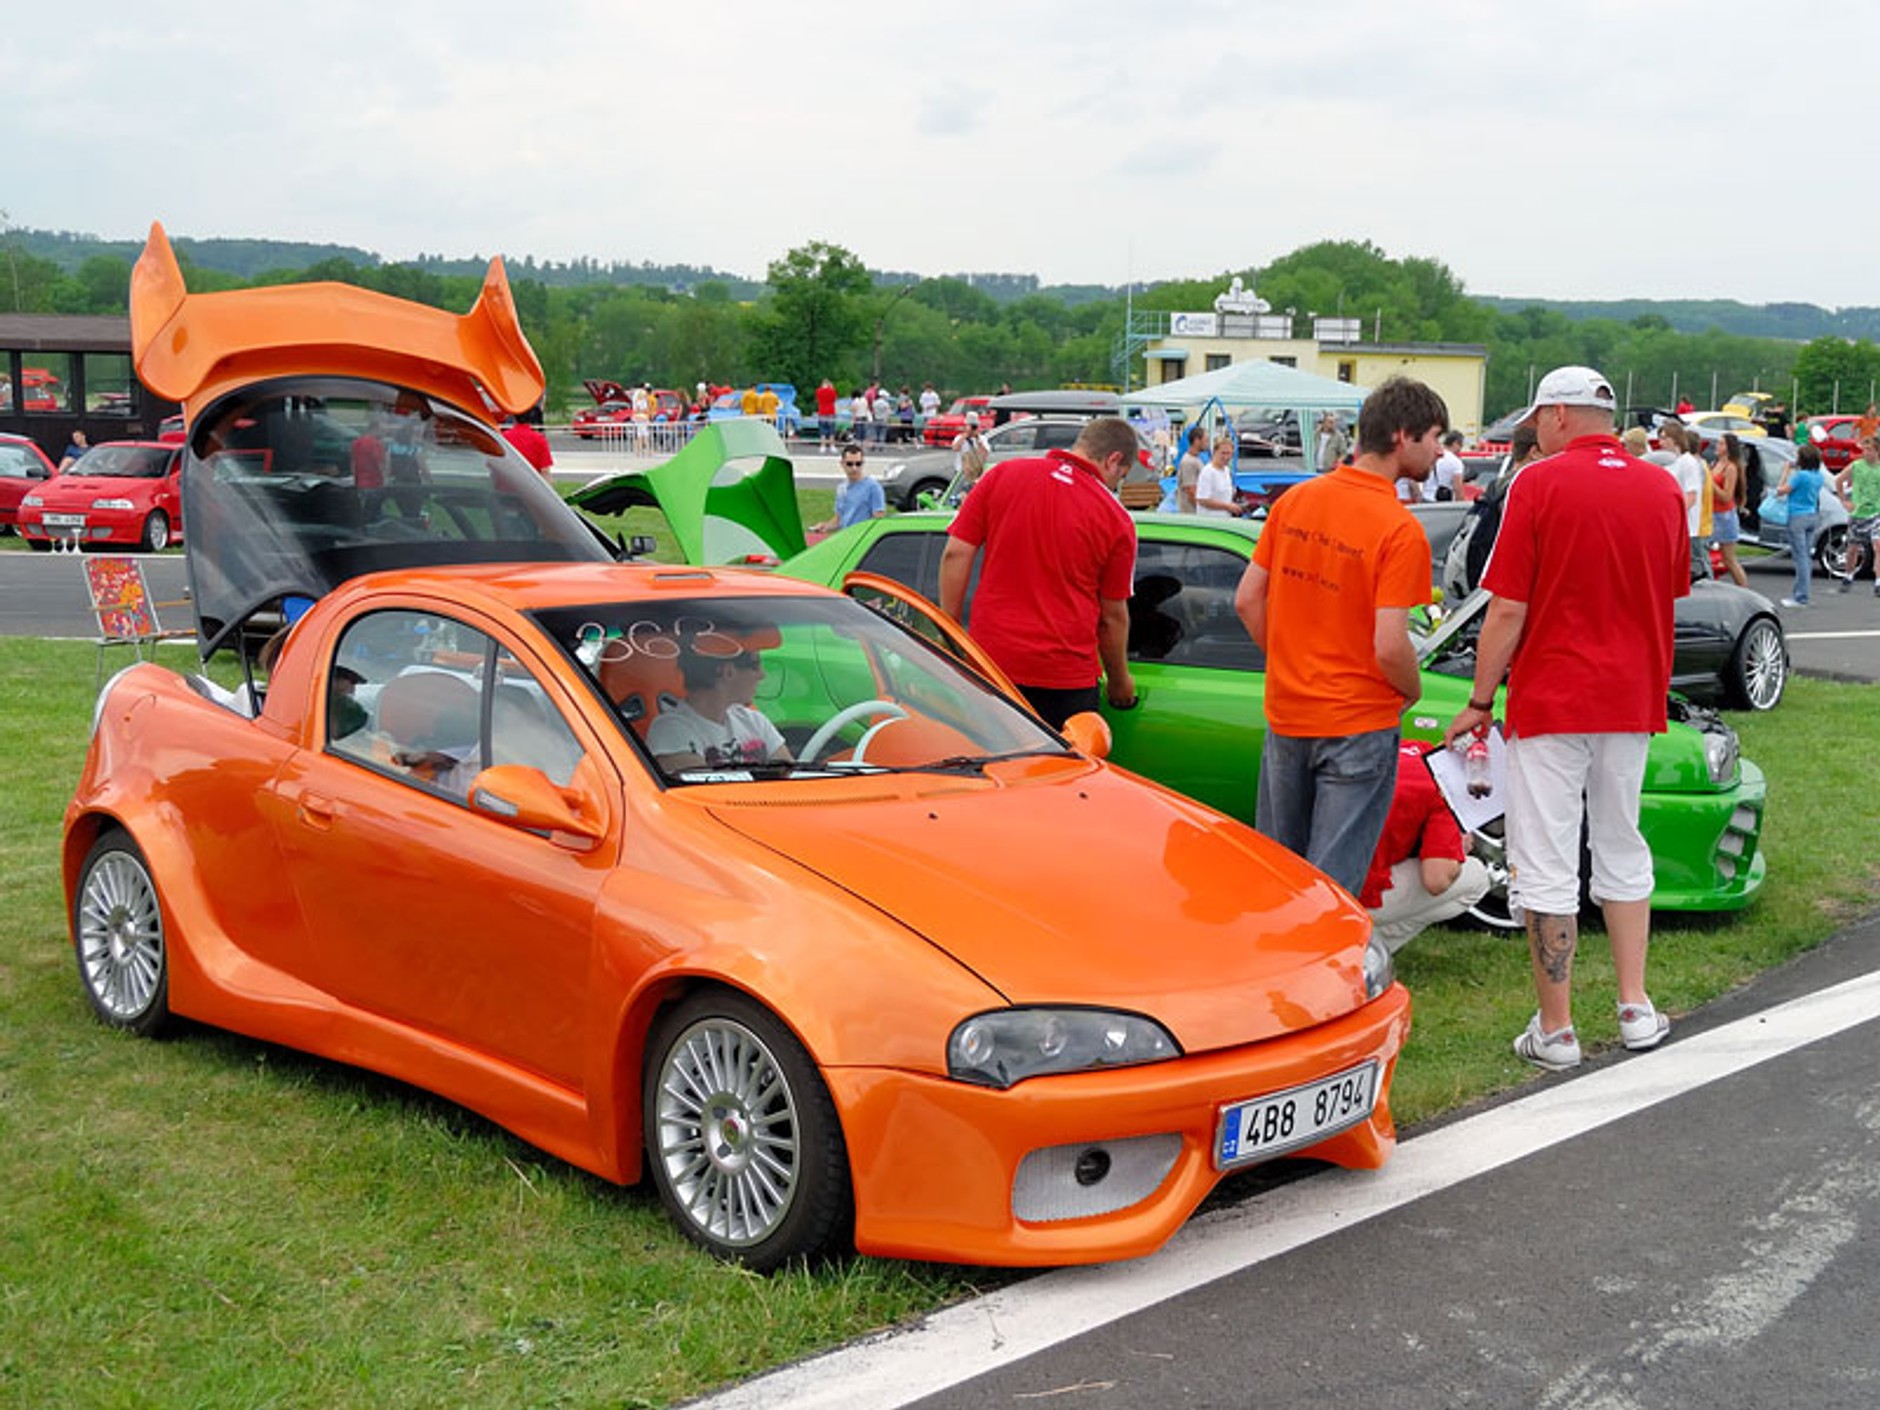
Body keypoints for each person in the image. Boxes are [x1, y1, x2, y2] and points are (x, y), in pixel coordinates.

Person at [1443, 364, 1687, 1072]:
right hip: (1632, 693)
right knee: (1622, 841)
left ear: (1556, 417)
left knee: (1547, 857)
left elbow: (1508, 607)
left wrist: (1481, 699)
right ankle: (1636, 1006)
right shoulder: (1663, 485)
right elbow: (1667, 590)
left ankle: (1557, 1028)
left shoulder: (1538, 484)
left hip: (1554, 696)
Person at [1234, 375, 1446, 895]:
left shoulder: (1295, 502)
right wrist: (1412, 691)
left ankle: (1277, 971)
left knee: (1282, 879)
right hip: (1358, 720)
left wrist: (1288, 660)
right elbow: (1390, 644)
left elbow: (1246, 599)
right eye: (1436, 436)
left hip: (1289, 714)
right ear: (1403, 436)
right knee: (1333, 887)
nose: (1441, 451)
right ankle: (1326, 973)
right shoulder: (1399, 529)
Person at [938, 416, 1140, 729]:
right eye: (1121, 477)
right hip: (1066, 681)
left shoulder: (1002, 475)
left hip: (991, 667)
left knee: (989, 773)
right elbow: (1112, 616)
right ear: (1114, 460)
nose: (1115, 486)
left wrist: (950, 634)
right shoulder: (1116, 519)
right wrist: (1119, 682)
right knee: (1059, 777)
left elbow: (955, 554)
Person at [1359, 741, 1492, 952]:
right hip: (1347, 897)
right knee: (1476, 878)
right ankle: (1365, 952)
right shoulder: (1447, 790)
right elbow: (1436, 880)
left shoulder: (1417, 748)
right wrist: (1457, 845)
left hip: (1302, 881)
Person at [644, 640, 792, 771]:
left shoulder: (754, 720)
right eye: (755, 666)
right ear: (728, 672)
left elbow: (790, 774)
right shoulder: (670, 730)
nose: (762, 674)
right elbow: (701, 792)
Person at [1774, 442, 1825, 608]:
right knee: (1805, 557)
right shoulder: (1818, 476)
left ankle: (1801, 596)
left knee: (1800, 557)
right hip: (1812, 515)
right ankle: (1801, 593)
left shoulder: (1800, 476)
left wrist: (1786, 471)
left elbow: (1781, 490)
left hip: (1797, 516)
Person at [1659, 422, 1712, 581]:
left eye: (1664, 438)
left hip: (1687, 528)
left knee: (1697, 569)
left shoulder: (1687, 462)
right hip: (1674, 527)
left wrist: (1674, 513)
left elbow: (1691, 496)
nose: (1660, 443)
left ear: (1674, 439)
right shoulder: (1671, 462)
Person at [1834, 435, 1880, 593]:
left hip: (1876, 512)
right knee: (1853, 548)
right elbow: (1839, 480)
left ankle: (1878, 582)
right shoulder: (1856, 466)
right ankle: (1848, 575)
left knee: (1878, 546)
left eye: (1869, 450)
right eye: (1864, 450)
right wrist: (1844, 500)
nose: (1866, 453)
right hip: (1858, 513)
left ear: (1877, 452)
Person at [811, 444, 886, 532]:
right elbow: (839, 519)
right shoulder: (841, 488)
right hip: (846, 538)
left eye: (858, 464)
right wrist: (825, 526)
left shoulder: (873, 487)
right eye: (850, 464)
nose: (854, 468)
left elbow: (878, 518)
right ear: (842, 464)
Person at [1711, 432, 1751, 587]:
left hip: (1724, 515)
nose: (1717, 446)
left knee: (1729, 559)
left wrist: (1711, 483)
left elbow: (1727, 496)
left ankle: (1744, 590)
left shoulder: (1731, 468)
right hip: (1713, 513)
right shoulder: (1716, 463)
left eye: (1721, 444)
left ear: (1729, 448)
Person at [500, 404, 554, 478]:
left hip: (508, 482)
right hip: (531, 485)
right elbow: (545, 471)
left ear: (514, 417)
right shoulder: (539, 439)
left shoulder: (504, 437)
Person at [1193, 436, 1241, 517]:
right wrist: (1227, 506)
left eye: (1229, 453)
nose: (1226, 457)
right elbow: (1202, 500)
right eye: (1223, 453)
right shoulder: (1208, 472)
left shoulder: (1226, 470)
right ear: (1215, 452)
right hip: (1210, 521)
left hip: (1225, 519)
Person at [951, 413, 991, 497]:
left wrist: (977, 439)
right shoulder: (960, 438)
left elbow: (985, 454)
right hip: (961, 473)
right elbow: (955, 448)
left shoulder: (982, 439)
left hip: (976, 473)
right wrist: (965, 435)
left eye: (974, 426)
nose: (972, 429)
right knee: (960, 494)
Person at [1175, 426, 1209, 513]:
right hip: (1191, 512)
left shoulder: (1197, 459)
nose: (1207, 443)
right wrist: (1201, 510)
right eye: (1205, 440)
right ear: (1197, 440)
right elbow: (1191, 491)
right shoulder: (1189, 462)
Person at [1430, 431, 1465, 501]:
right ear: (1455, 443)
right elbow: (1458, 489)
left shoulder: (1432, 455)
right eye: (1461, 444)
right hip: (1443, 502)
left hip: (1426, 499)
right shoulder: (1455, 462)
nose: (1461, 448)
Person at [814, 378, 839, 452]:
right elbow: (834, 399)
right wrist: (831, 388)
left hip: (822, 412)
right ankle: (832, 446)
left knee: (822, 430)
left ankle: (823, 446)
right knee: (831, 430)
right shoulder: (832, 391)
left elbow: (817, 399)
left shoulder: (818, 391)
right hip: (831, 411)